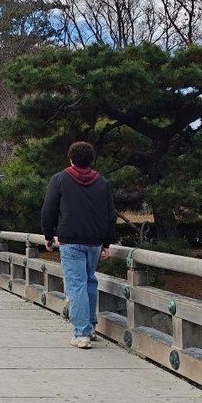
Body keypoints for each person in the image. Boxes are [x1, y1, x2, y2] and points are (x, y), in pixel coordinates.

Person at [40, 141, 116, 349]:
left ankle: (81, 333)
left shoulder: (60, 179)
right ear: (91, 160)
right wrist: (107, 243)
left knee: (76, 284)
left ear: (71, 158)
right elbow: (110, 215)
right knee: (90, 281)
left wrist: (48, 235)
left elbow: (48, 210)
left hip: (71, 240)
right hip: (95, 242)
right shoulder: (102, 182)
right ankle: (90, 327)